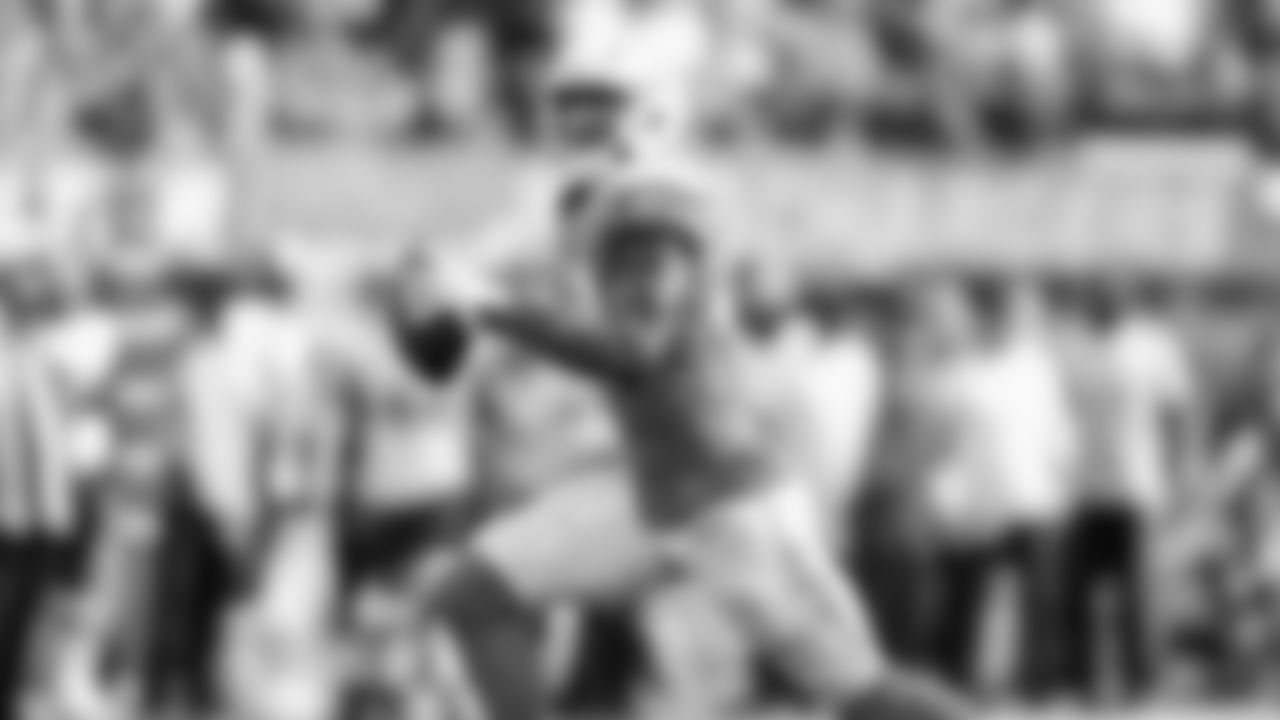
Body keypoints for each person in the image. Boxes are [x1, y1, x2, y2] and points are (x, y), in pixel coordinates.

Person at [394, 161, 972, 720]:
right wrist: (458, 295)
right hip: (658, 501)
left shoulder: (648, 233)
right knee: (472, 595)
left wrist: (487, 302)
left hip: (728, 506)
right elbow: (575, 346)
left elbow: (630, 353)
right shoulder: (602, 258)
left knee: (857, 690)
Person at [1058, 281, 1199, 704]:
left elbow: (1178, 411)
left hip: (1137, 485)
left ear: (1126, 300)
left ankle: (1144, 686)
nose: (1106, 300)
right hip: (1081, 488)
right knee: (1077, 593)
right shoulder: (1070, 347)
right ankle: (1081, 684)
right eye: (1099, 294)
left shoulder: (1152, 347)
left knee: (1138, 596)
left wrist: (1180, 471)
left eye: (1113, 293)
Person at [0, 251, 78, 720]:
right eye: (24, 293)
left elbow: (54, 433)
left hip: (40, 513)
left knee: (23, 619)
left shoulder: (41, 353)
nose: (34, 303)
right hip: (9, 515)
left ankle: (11, 700)